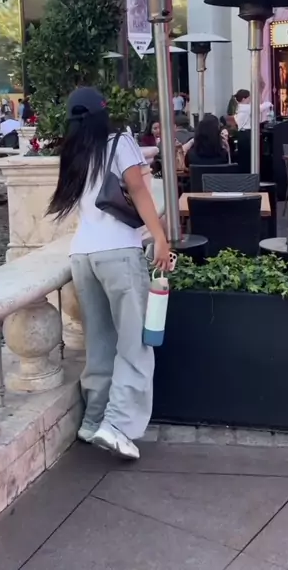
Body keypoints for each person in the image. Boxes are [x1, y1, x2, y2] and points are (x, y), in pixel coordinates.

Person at [48, 87, 171, 460]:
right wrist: (160, 238)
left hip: (82, 256)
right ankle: (117, 426)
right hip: (118, 251)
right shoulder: (119, 141)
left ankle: (93, 421)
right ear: (104, 113)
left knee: (99, 343)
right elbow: (138, 189)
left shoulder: (73, 150)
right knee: (135, 344)